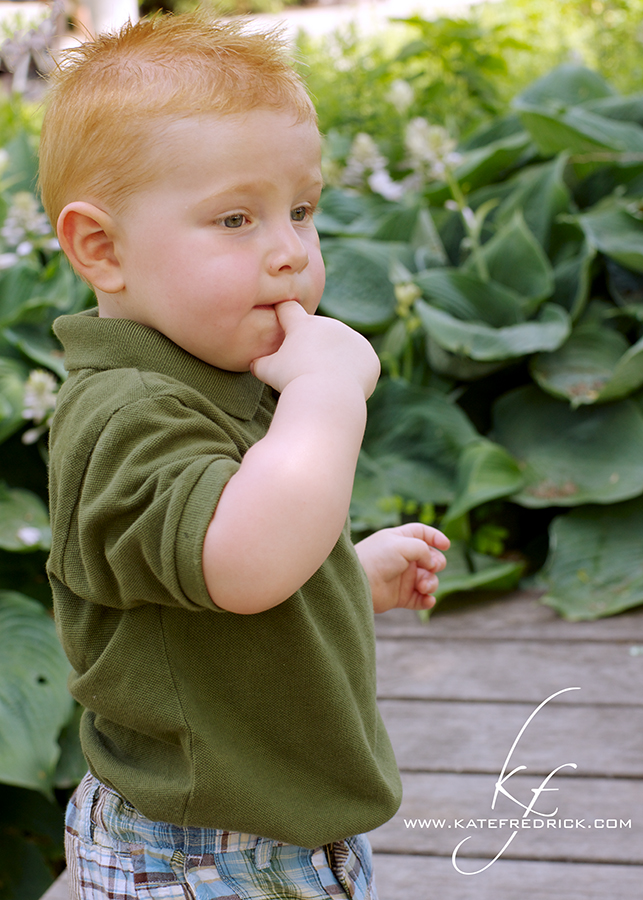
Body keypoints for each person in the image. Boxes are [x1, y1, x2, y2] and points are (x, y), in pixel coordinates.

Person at [40, 13, 450, 900]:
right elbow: (243, 563)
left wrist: (342, 571)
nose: (289, 253)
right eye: (235, 218)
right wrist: (328, 394)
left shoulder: (214, 368)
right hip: (203, 849)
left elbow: (238, 560)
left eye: (301, 212)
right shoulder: (128, 410)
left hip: (260, 824)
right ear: (102, 248)